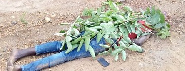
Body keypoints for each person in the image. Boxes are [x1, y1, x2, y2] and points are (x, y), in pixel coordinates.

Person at [7, 34, 151, 71]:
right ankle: (23, 68)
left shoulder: (133, 19)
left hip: (95, 34)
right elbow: (138, 43)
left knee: (62, 45)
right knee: (65, 54)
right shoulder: (140, 27)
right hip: (101, 41)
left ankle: (21, 53)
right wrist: (150, 33)